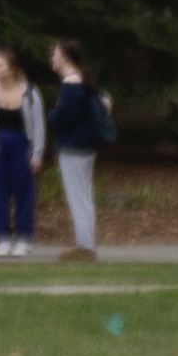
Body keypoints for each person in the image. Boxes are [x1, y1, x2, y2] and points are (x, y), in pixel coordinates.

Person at [0, 45, 43, 256]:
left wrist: (37, 153)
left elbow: (38, 125)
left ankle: (24, 238)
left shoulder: (30, 93)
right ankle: (2, 238)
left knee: (24, 191)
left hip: (22, 144)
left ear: (11, 68)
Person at [45, 37, 112, 256]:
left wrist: (52, 114)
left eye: (54, 54)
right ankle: (85, 243)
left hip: (73, 146)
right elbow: (103, 101)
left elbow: (65, 117)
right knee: (84, 195)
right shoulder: (83, 81)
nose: (52, 58)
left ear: (64, 56)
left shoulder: (71, 84)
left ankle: (85, 246)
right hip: (85, 145)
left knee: (78, 196)